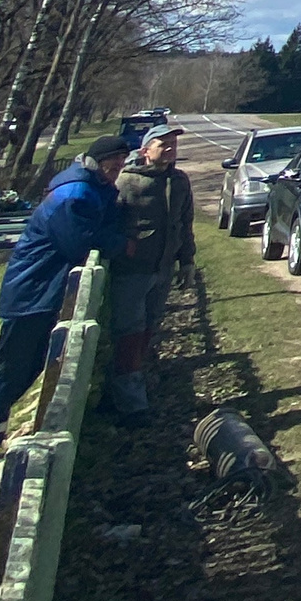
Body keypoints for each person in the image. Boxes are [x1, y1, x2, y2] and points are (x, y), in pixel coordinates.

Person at [0, 135, 126, 464]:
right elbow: (79, 242)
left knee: (17, 374)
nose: (116, 171)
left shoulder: (88, 189)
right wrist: (120, 243)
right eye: (112, 165)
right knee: (7, 374)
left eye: (120, 165)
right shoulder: (74, 194)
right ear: (96, 162)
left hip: (40, 292)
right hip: (32, 293)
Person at [107, 119, 196, 425]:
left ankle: (128, 388)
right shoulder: (127, 182)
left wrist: (187, 261)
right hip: (132, 271)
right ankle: (131, 405)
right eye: (164, 145)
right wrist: (123, 247)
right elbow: (109, 222)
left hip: (163, 269)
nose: (170, 150)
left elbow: (185, 225)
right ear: (146, 150)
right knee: (129, 332)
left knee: (148, 329)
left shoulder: (180, 181)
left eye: (174, 145)